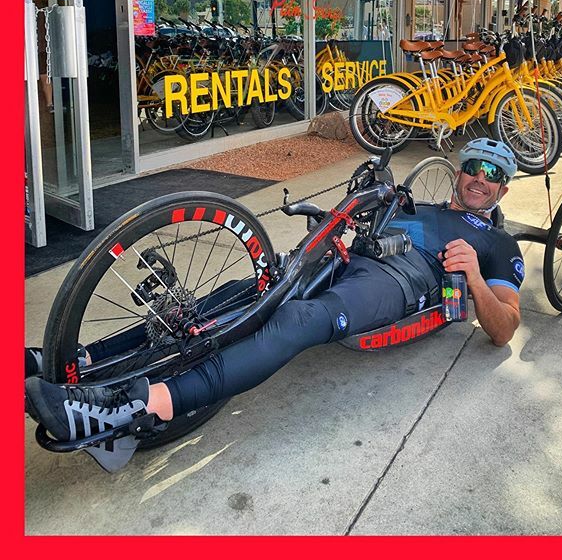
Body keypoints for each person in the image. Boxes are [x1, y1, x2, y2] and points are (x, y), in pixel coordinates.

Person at [25, 138, 524, 471]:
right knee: (238, 293)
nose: (480, 179)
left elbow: (504, 328)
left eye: (493, 174)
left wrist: (474, 278)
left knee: (299, 319)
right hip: (349, 255)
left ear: (503, 187)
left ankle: (133, 409)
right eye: (474, 168)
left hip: (399, 280)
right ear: (459, 172)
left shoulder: (498, 244)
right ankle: (79, 360)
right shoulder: (421, 205)